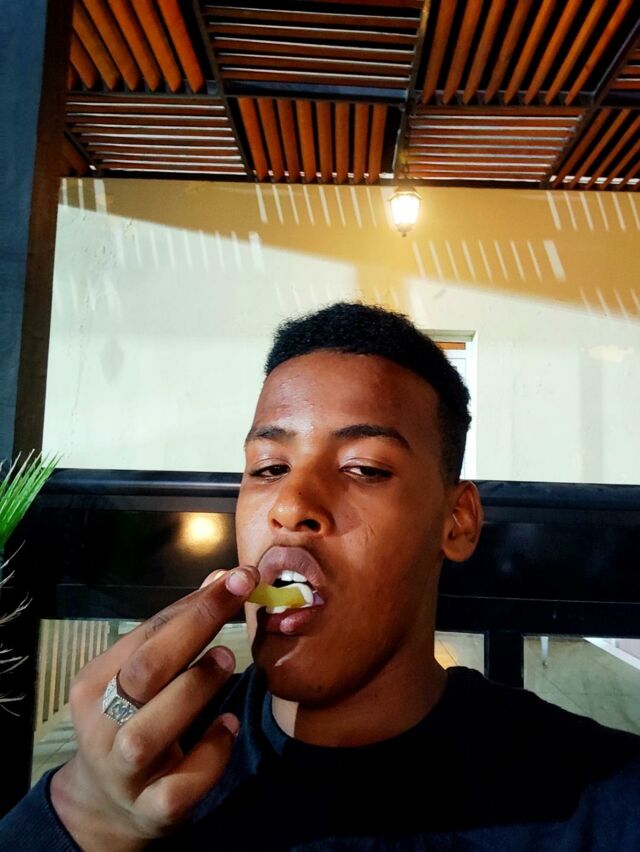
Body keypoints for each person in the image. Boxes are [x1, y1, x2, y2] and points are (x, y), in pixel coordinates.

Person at [1, 302, 639, 851]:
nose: (290, 504)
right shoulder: (144, 766)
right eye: (269, 468)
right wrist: (83, 813)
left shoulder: (600, 799)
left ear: (457, 520)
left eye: (364, 468)